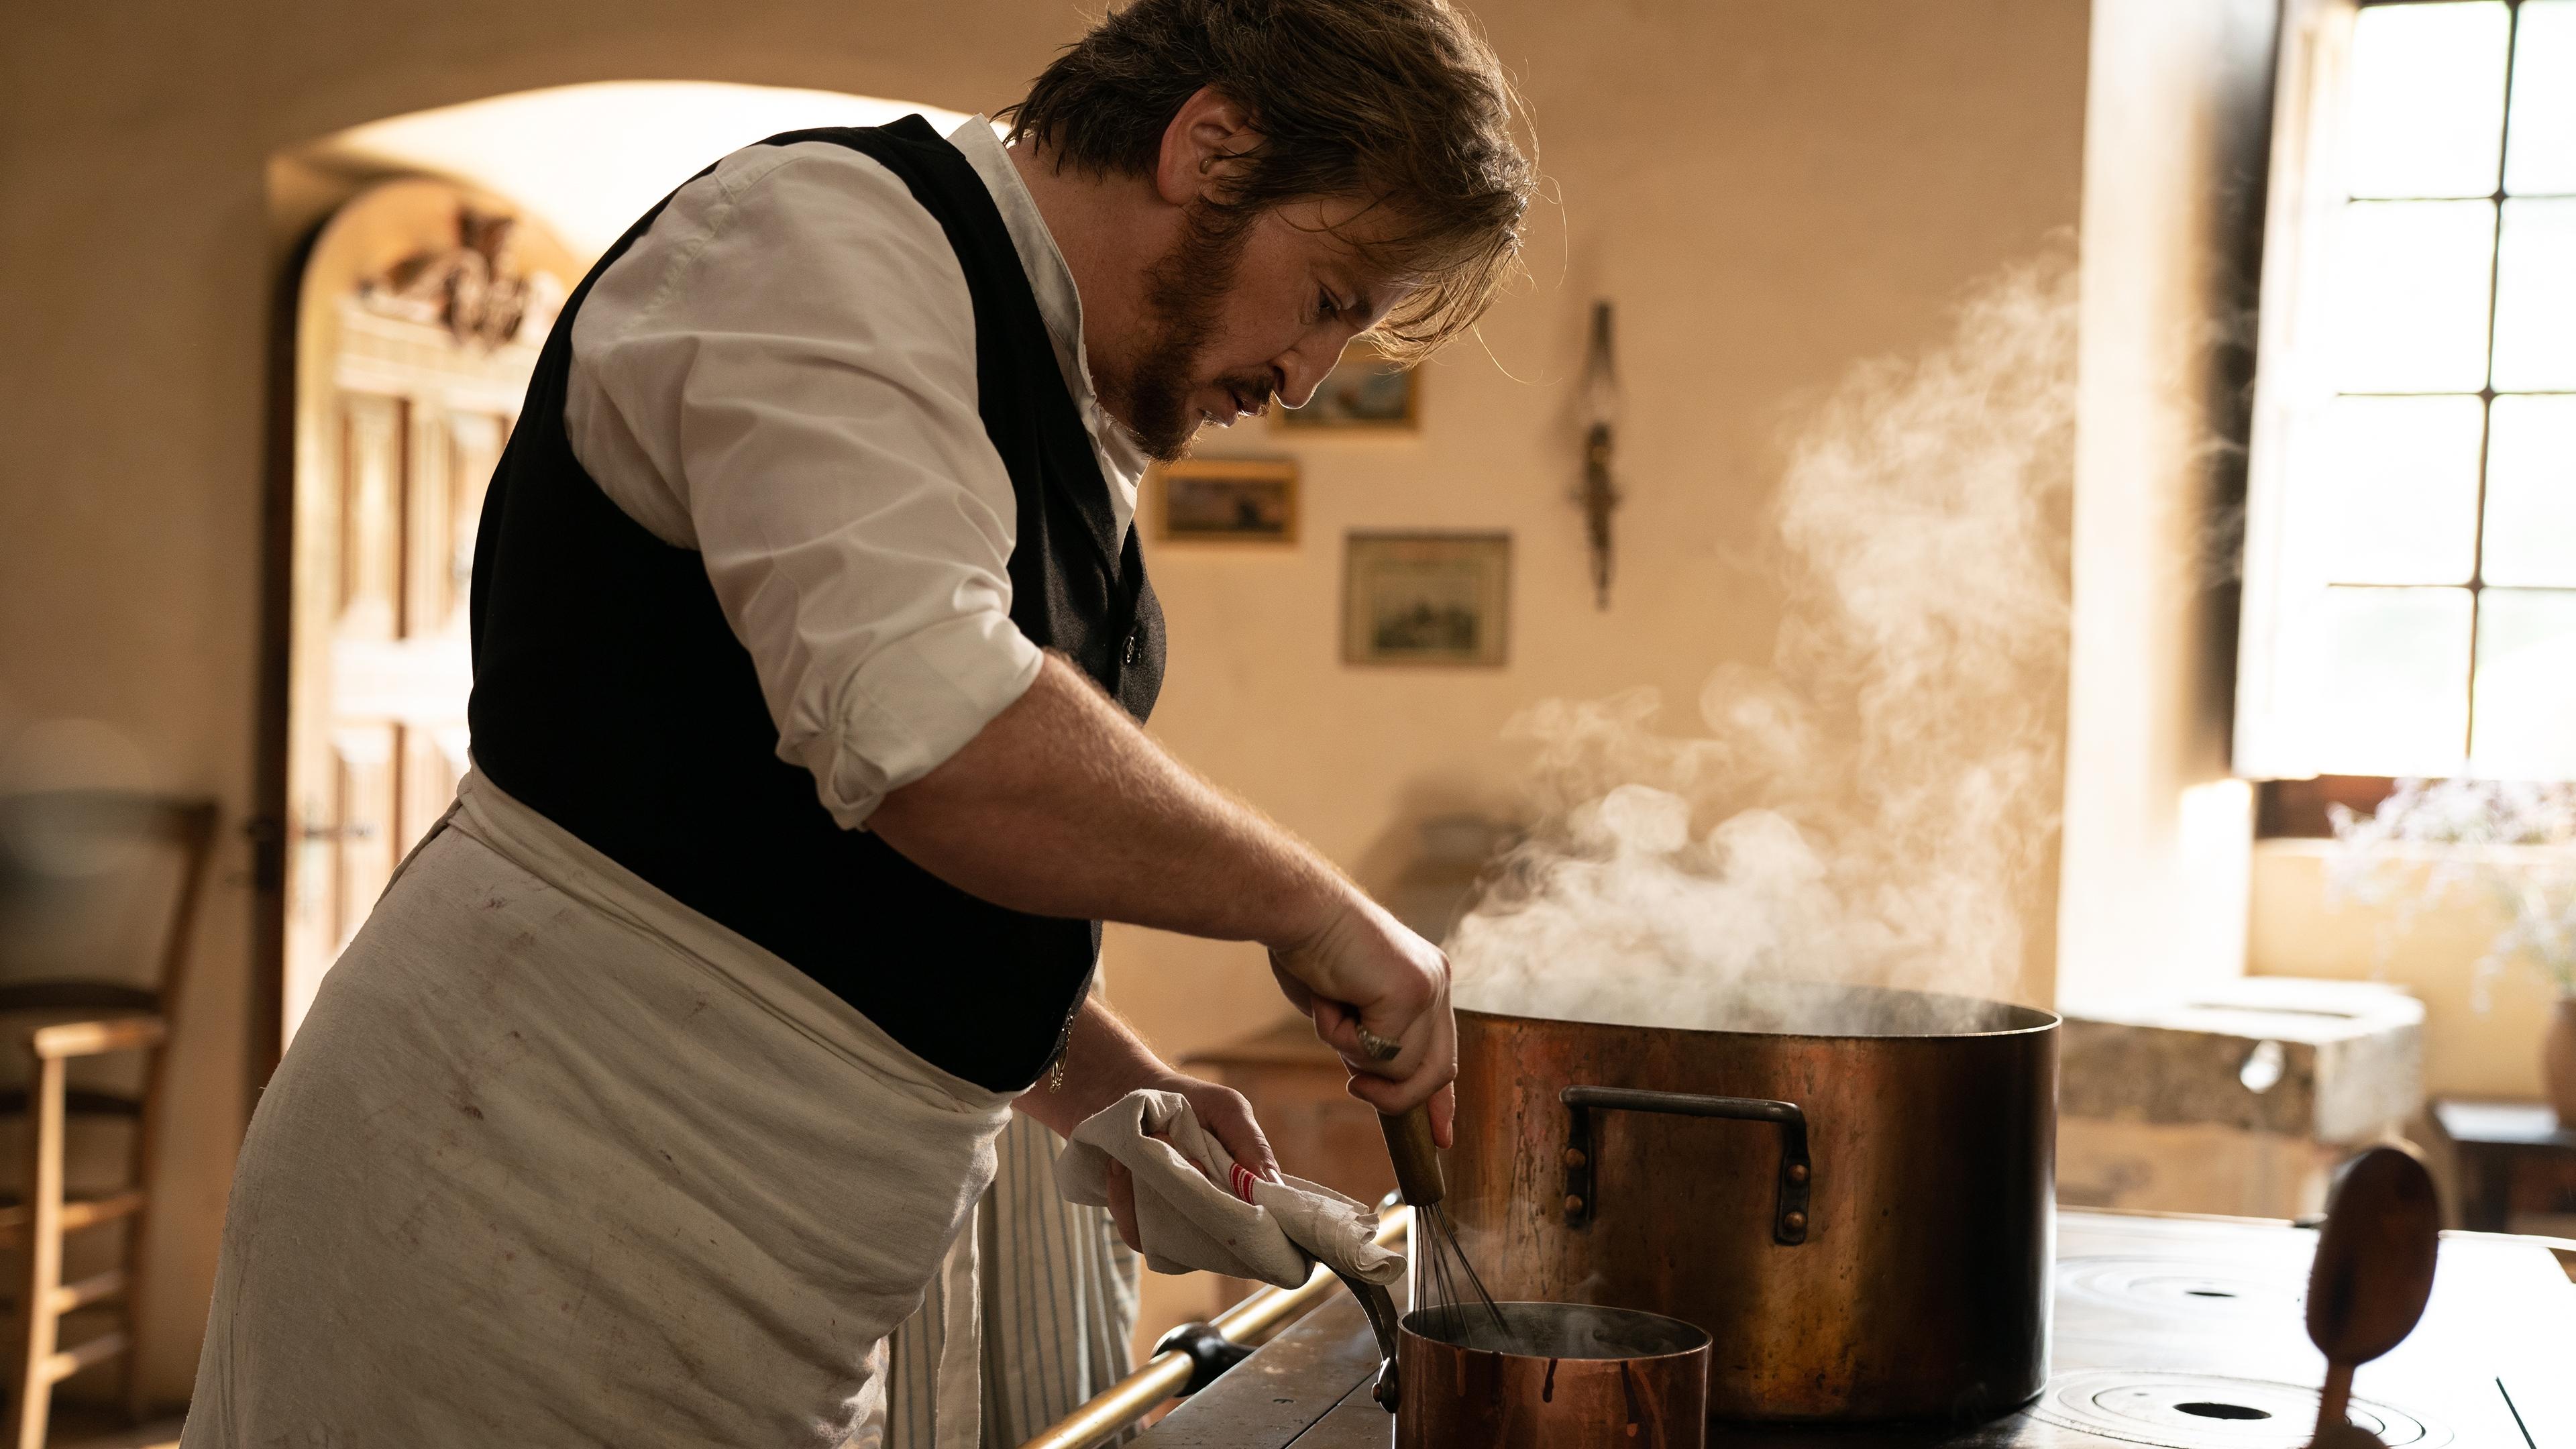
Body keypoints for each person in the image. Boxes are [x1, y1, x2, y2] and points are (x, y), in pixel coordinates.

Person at [180, 1, 1531, 1444]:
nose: (1309, 376)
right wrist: (1317, 911)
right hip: (507, 1216)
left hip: (739, 1295)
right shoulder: (818, 241)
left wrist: (1100, 1082)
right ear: (1210, 150)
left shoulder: (1054, 410)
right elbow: (930, 739)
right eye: (1330, 297)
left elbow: (812, 865)